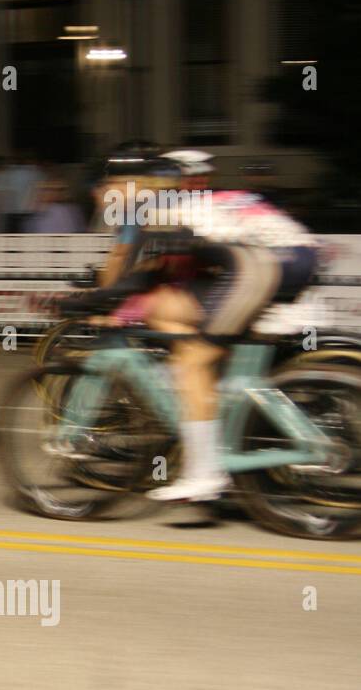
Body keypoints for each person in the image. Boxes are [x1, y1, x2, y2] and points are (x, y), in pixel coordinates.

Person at [63, 161, 319, 502]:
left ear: (132, 186)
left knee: (193, 361)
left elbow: (140, 276)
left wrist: (87, 302)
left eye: (110, 188)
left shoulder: (152, 208)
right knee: (170, 308)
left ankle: (204, 474)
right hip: (292, 255)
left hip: (266, 263)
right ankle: (217, 403)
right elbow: (162, 277)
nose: (103, 198)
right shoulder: (177, 202)